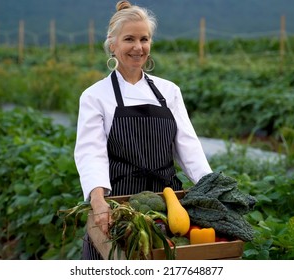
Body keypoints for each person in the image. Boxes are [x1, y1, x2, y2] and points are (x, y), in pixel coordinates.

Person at [74, 0, 212, 260]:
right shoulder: (95, 95)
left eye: (144, 39)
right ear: (112, 44)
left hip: (167, 201)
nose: (138, 47)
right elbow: (90, 153)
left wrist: (210, 187)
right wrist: (98, 199)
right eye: (129, 39)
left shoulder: (169, 91)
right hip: (120, 204)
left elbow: (188, 147)